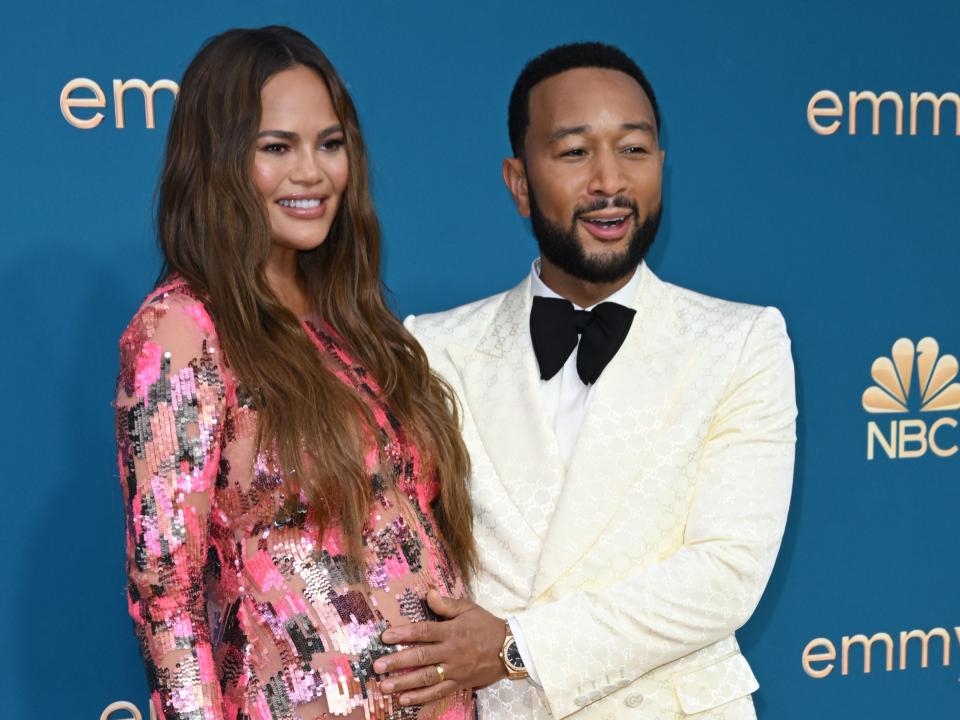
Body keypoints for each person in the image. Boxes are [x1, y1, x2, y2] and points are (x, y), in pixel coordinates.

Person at [374, 42, 797, 719]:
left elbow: (725, 576)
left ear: (661, 163)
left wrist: (519, 648)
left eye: (633, 150)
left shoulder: (740, 341)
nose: (609, 182)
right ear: (519, 182)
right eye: (574, 153)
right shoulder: (431, 346)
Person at [114, 26, 476, 720]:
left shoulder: (358, 324)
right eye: (277, 147)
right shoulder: (185, 329)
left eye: (329, 144)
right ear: (218, 160)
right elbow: (167, 590)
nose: (312, 172)